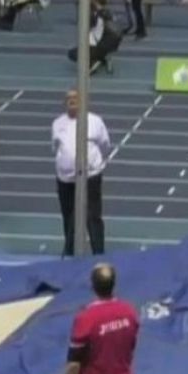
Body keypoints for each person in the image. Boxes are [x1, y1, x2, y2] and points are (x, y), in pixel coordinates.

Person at [52, 89, 111, 258]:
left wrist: (95, 163)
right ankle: (69, 251)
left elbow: (105, 145)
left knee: (92, 216)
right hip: (65, 178)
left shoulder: (94, 121)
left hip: (90, 175)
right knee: (68, 215)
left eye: (75, 98)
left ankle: (98, 253)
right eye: (68, 98)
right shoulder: (58, 123)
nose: (72, 101)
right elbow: (55, 146)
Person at [71, 0, 121, 74]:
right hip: (112, 42)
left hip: (101, 43)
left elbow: (94, 32)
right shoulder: (109, 13)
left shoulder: (97, 15)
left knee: (73, 53)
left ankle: (96, 61)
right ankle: (101, 57)